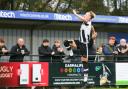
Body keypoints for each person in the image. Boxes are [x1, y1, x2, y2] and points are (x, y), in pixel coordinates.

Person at [64, 10, 97, 86]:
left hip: (84, 45)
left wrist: (75, 14)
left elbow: (84, 20)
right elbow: (91, 29)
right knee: (66, 42)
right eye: (85, 14)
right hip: (79, 42)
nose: (85, 15)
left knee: (84, 63)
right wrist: (93, 35)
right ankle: (71, 55)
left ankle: (85, 81)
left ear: (89, 17)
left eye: (86, 14)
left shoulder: (87, 22)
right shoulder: (88, 23)